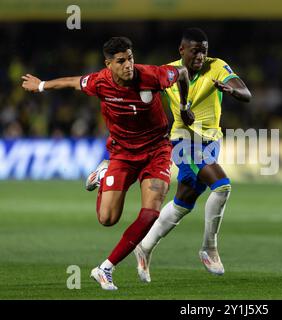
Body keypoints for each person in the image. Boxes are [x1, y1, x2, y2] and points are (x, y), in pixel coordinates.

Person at [21, 36, 190, 290]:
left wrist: (185, 105)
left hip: (157, 150)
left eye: (130, 58)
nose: (128, 65)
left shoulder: (152, 76)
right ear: (108, 64)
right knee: (107, 218)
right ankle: (103, 173)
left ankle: (105, 268)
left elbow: (183, 72)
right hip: (122, 153)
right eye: (121, 61)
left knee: (151, 212)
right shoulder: (100, 81)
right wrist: (42, 85)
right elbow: (72, 82)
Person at [131, 28, 252, 282]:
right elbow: (138, 86)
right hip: (184, 141)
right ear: (182, 50)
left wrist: (231, 91)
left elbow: (246, 93)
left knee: (183, 203)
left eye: (204, 51)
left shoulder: (217, 66)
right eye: (195, 51)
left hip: (211, 141)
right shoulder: (168, 72)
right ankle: (209, 248)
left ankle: (144, 246)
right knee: (222, 187)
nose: (200, 56)